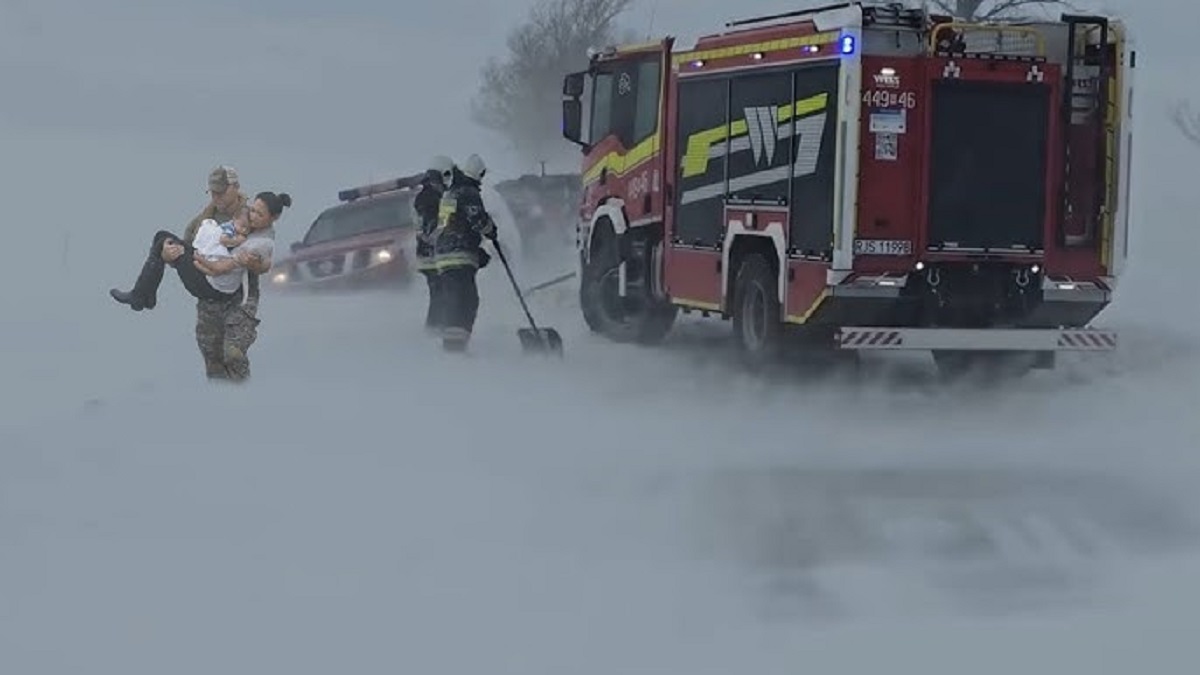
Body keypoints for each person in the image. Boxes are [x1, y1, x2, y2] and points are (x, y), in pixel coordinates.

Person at [110, 191, 291, 380]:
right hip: (211, 280)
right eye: (252, 210)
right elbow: (198, 234)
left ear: (274, 217)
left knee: (232, 355)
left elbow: (229, 267)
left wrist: (196, 259)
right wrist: (177, 254)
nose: (252, 217)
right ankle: (144, 295)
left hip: (211, 283)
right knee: (163, 238)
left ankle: (143, 297)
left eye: (259, 214)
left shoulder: (259, 241)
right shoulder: (250, 223)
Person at [432, 153, 497, 352]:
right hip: (458, 255)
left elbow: (451, 225)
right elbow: (478, 219)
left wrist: (476, 252)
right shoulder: (468, 192)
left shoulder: (450, 193)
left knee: (455, 299)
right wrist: (491, 231)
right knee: (466, 300)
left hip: (444, 254)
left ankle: (453, 345)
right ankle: (455, 348)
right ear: (479, 173)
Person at [413, 155, 455, 333]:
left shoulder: (422, 197)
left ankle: (435, 327)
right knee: (442, 293)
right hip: (433, 254)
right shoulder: (431, 199)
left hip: (427, 254)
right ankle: (437, 328)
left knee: (438, 293)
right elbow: (443, 223)